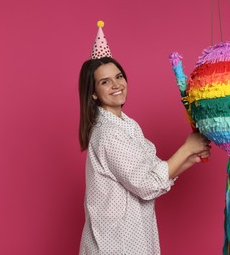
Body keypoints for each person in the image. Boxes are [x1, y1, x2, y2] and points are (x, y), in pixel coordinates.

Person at [78, 22, 210, 255]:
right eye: (105, 82)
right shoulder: (108, 134)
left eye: (119, 77)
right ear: (93, 93)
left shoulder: (127, 125)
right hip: (115, 244)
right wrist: (186, 147)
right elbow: (148, 185)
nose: (116, 85)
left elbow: (151, 172)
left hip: (133, 237)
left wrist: (189, 158)